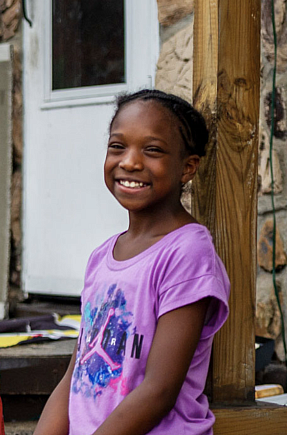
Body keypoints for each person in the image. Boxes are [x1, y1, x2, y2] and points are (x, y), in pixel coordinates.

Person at [33, 89, 230, 435]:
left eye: (152, 150)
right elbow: (75, 373)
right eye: (118, 146)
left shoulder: (187, 252)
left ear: (188, 167)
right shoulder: (101, 257)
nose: (130, 162)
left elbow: (159, 390)